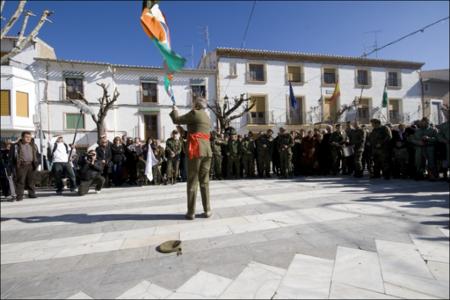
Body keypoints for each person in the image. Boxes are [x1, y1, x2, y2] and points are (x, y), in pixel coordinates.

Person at [170, 97, 212, 220]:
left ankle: (191, 212)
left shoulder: (195, 112)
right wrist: (183, 132)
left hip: (196, 150)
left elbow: (176, 119)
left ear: (196, 105)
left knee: (192, 181)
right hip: (207, 151)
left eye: (193, 103)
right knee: (205, 182)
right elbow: (198, 133)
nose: (192, 105)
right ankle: (207, 210)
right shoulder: (207, 117)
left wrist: (175, 110)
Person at [9, 131, 40, 201]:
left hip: (31, 165)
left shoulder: (33, 145)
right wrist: (12, 166)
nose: (28, 139)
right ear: (22, 137)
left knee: (31, 180)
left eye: (29, 137)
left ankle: (32, 194)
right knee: (20, 181)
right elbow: (11, 157)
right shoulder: (16, 146)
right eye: (26, 137)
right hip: (21, 165)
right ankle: (19, 196)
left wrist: (37, 163)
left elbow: (37, 155)